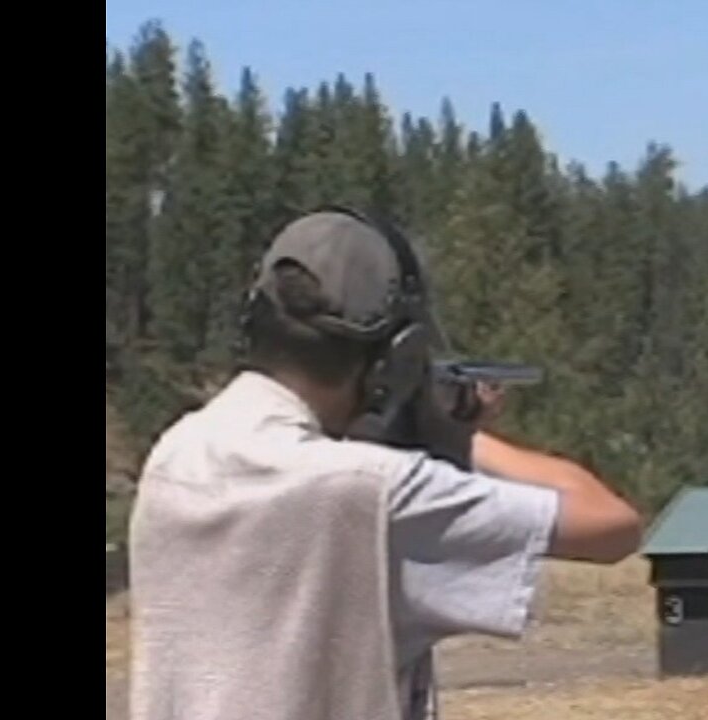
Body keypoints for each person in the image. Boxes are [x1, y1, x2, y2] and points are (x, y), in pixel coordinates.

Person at [128, 209, 642, 720]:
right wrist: (462, 437)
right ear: (394, 357)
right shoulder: (371, 490)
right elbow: (611, 525)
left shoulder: (178, 452)